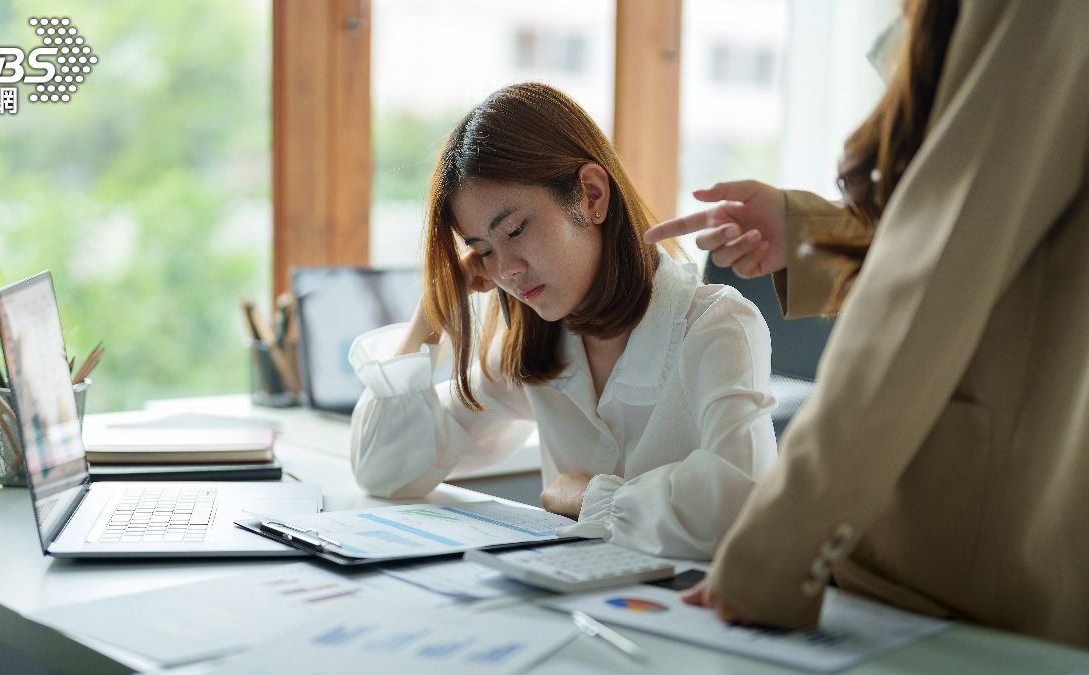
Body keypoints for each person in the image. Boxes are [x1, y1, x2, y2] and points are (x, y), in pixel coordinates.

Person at [648, 0, 1089, 648]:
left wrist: (772, 549)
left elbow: (939, 265)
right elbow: (1006, 198)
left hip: (970, 555)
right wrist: (815, 234)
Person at [348, 82, 778, 559]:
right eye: (484, 251)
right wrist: (431, 315)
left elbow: (743, 511)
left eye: (515, 230)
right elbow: (384, 469)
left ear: (592, 195)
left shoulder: (718, 327)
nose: (506, 270)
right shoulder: (537, 350)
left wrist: (587, 496)